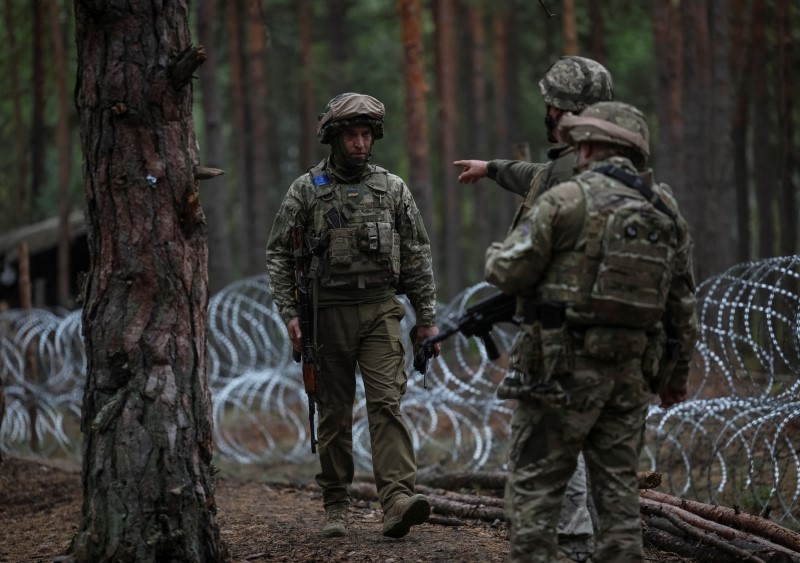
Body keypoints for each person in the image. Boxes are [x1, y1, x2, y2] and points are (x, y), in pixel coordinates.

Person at [484, 101, 698, 562]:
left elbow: (506, 271)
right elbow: (682, 307)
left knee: (536, 494)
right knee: (619, 499)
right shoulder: (665, 211)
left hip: (559, 372)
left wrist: (496, 251)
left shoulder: (566, 200)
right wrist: (674, 378)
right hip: (631, 374)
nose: (577, 153)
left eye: (583, 144)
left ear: (599, 147)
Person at [457, 55, 615, 561]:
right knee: (605, 449)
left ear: (556, 108)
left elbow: (513, 266)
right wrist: (493, 168)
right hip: (618, 339)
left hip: (558, 341)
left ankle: (570, 546)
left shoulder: (562, 179)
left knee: (547, 450)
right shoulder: (623, 168)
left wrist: (497, 272)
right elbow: (535, 171)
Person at [266, 92, 441, 539]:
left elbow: (418, 253)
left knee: (386, 403)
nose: (360, 144)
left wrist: (427, 318)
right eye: (352, 135)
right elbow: (280, 254)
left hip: (382, 311)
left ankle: (398, 499)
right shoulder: (307, 191)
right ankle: (336, 504)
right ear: (335, 138)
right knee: (334, 413)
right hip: (327, 315)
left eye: (366, 135)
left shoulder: (392, 188)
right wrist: (290, 313)